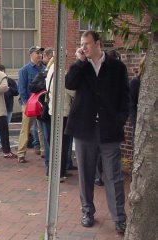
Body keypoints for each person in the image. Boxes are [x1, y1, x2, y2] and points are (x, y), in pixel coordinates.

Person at [65, 30, 129, 233]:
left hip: (109, 129)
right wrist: (78, 62)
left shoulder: (116, 67)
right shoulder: (81, 67)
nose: (83, 47)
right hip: (84, 129)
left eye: (87, 43)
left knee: (114, 176)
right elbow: (69, 83)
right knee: (85, 174)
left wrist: (119, 120)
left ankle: (119, 217)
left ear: (98, 43)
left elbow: (124, 97)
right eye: (81, 44)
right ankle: (87, 212)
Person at [17, 46, 46, 163]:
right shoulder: (25, 70)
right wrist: (26, 103)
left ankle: (44, 150)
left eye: (41, 53)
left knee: (42, 128)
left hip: (42, 103)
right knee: (26, 128)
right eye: (37, 53)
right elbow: (22, 88)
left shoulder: (45, 69)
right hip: (29, 103)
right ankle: (21, 153)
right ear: (31, 54)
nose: (40, 55)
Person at [0, 64, 18, 152]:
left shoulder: (10, 81)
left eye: (1, 71)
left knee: (5, 126)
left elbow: (16, 92)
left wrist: (9, 89)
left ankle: (5, 144)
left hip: (8, 107)